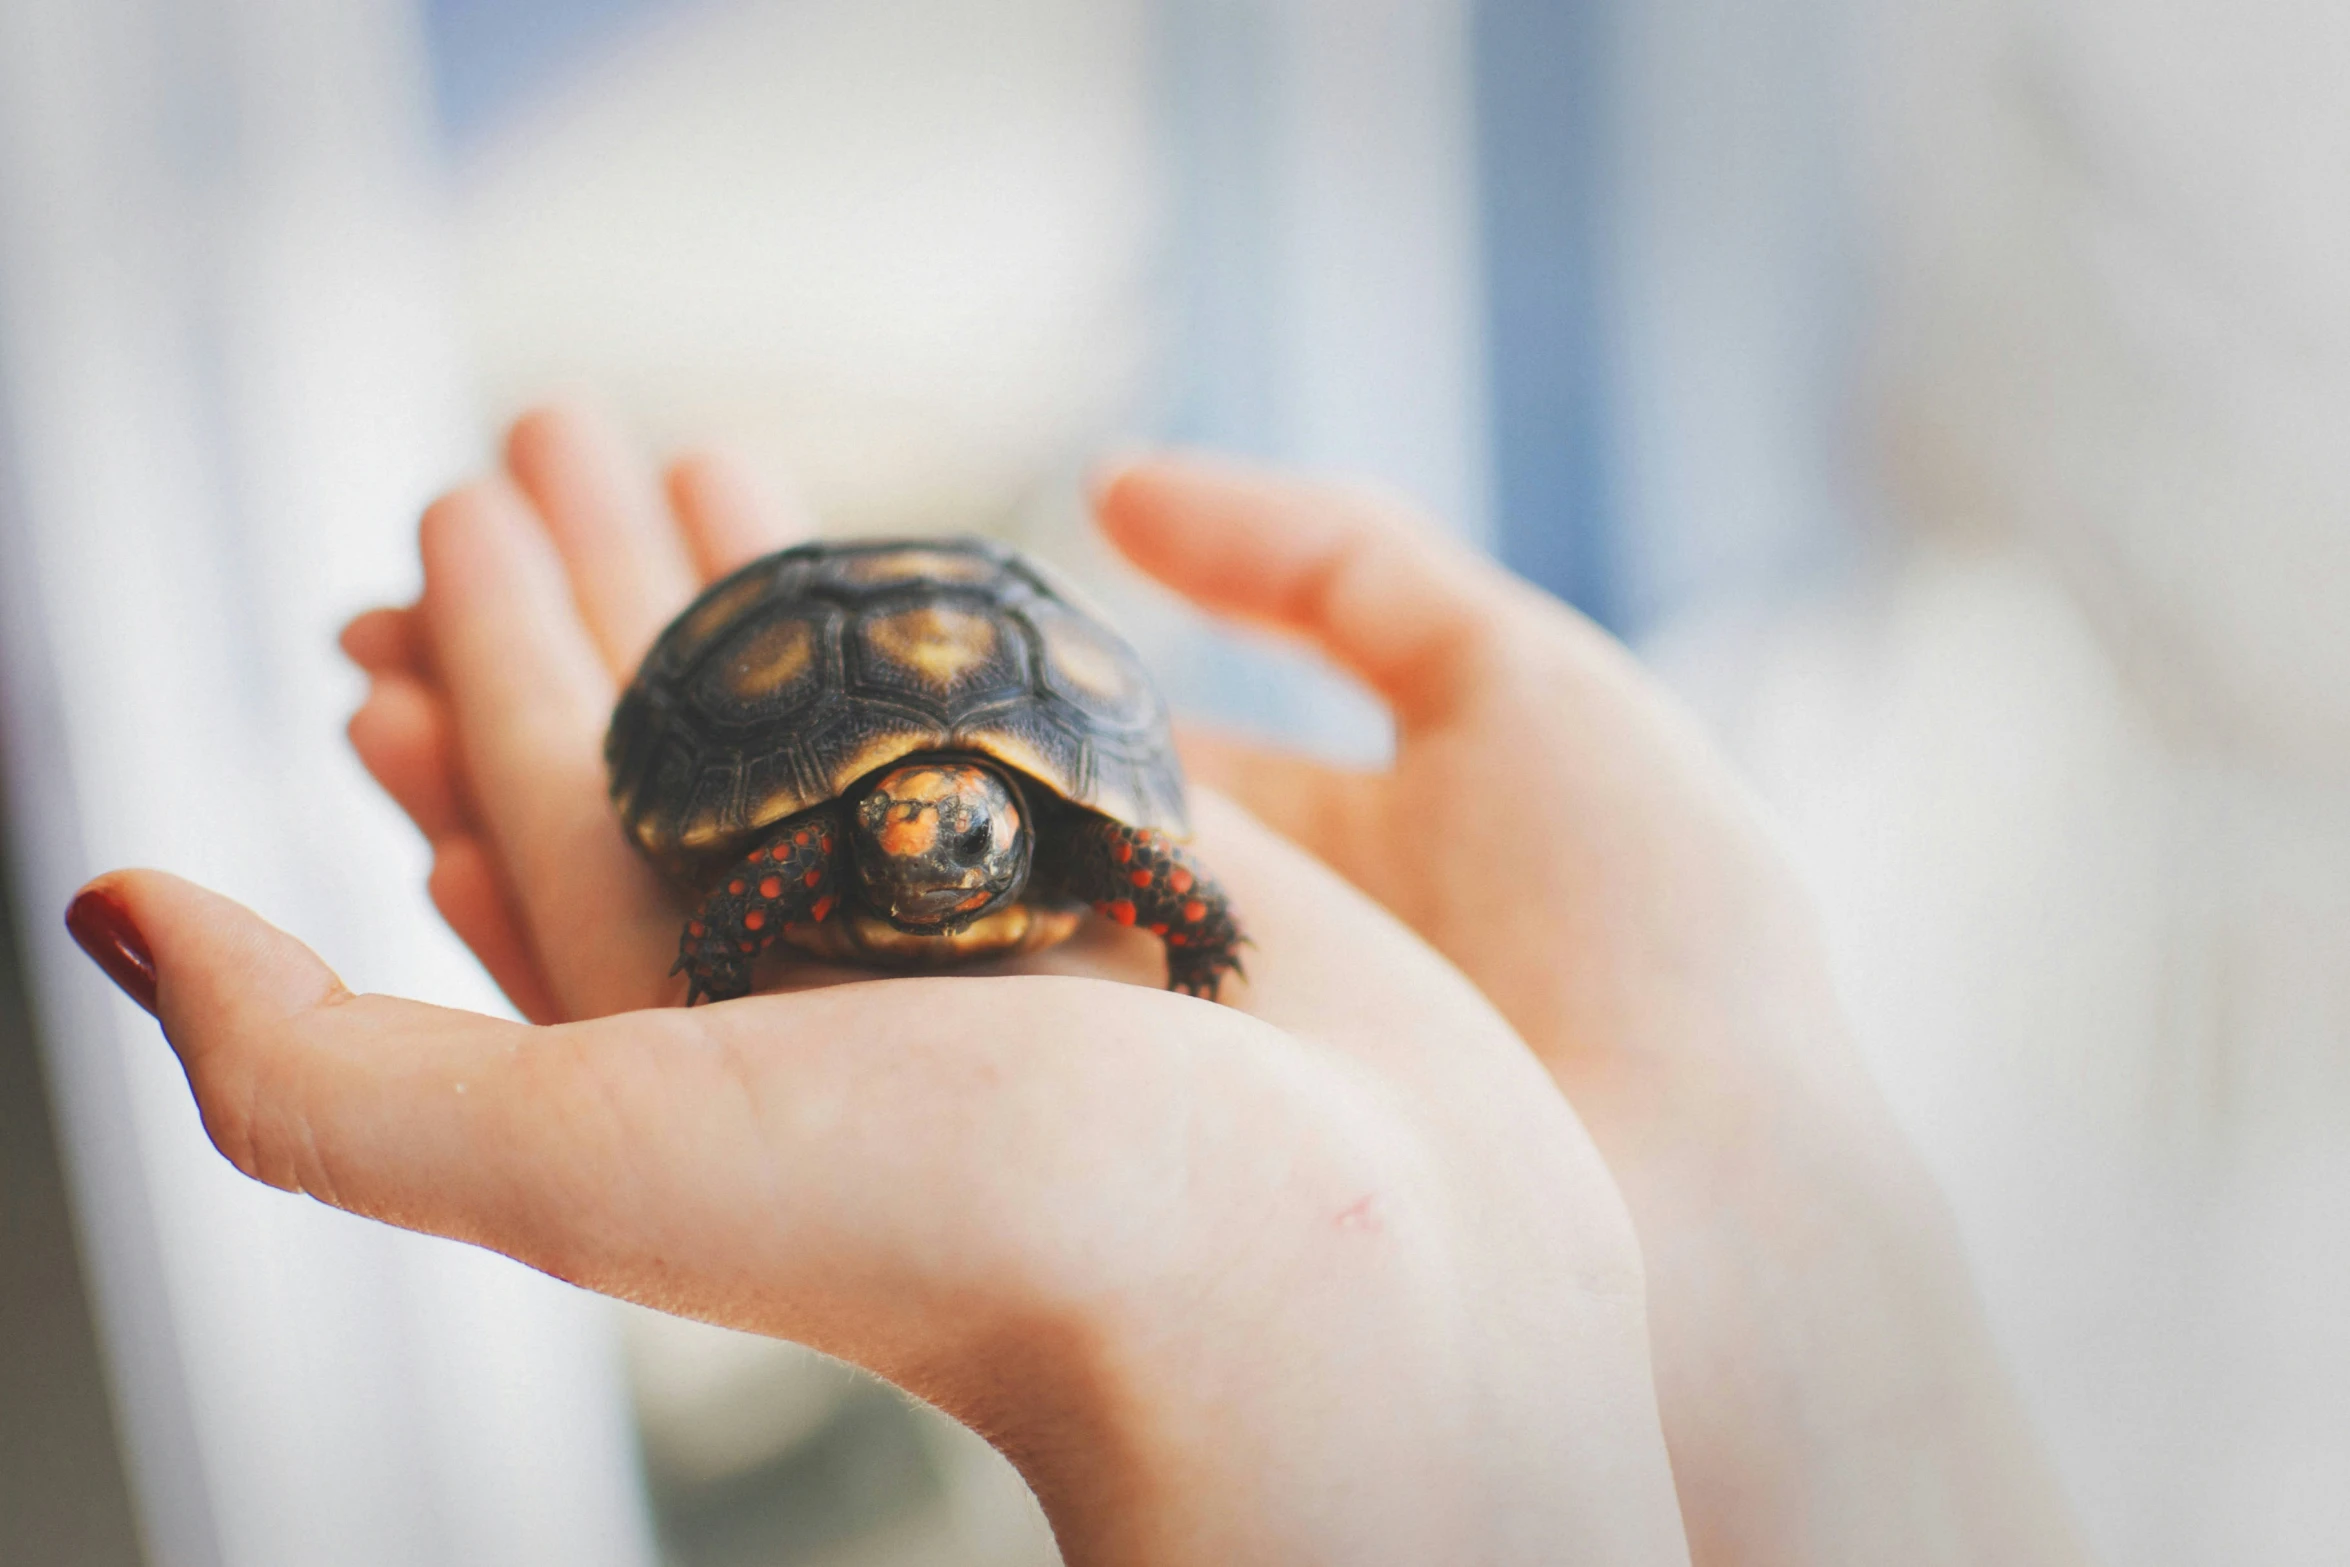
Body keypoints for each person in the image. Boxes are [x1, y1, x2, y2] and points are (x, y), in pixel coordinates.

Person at [66, 406, 2088, 1564]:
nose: (933, 844)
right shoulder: (826, 844)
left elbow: (1152, 866)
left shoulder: (1080, 849)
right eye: (904, 836)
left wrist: (1751, 1206)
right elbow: (800, 861)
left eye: (961, 834)